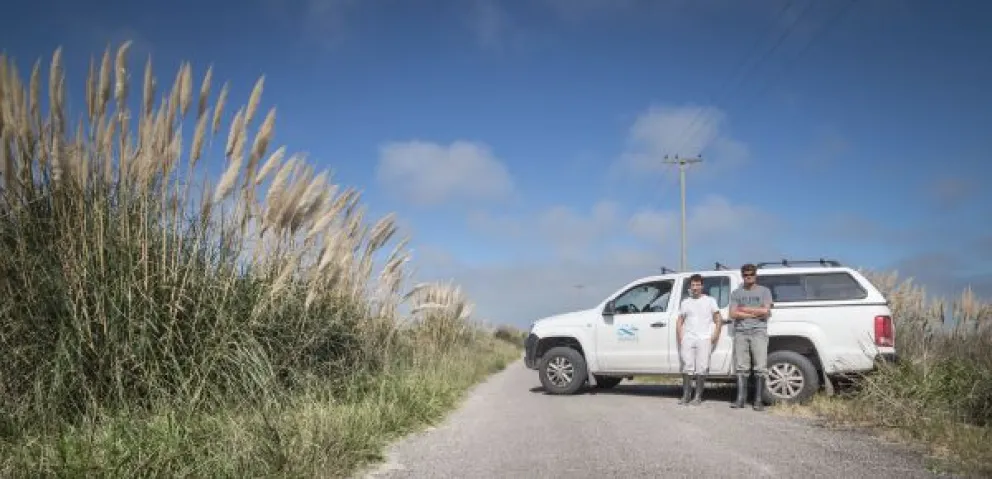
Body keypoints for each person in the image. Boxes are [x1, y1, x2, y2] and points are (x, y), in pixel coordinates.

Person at [729, 263, 774, 411]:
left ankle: (758, 400)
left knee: (760, 366)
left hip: (759, 331)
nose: (748, 277)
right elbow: (733, 313)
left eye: (751, 274)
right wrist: (757, 312)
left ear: (756, 275)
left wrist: (745, 309)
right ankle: (740, 399)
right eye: (746, 275)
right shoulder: (736, 292)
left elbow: (766, 311)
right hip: (741, 332)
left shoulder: (765, 291)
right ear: (742, 276)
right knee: (741, 367)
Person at [676, 274, 722, 405]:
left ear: (702, 286)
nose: (695, 287)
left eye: (697, 285)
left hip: (704, 338)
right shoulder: (685, 302)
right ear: (690, 287)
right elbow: (680, 320)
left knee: (702, 367)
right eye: (693, 285)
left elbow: (718, 319)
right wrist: (681, 336)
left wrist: (715, 334)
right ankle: (686, 396)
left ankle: (698, 397)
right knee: (687, 366)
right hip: (688, 338)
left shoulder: (710, 301)